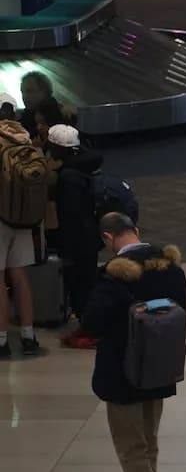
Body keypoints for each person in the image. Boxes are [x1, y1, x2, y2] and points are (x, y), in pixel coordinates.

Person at [80, 212, 186, 472]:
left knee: (129, 444)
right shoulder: (171, 267)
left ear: (108, 239)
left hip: (122, 371)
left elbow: (91, 322)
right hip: (159, 366)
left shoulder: (115, 276)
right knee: (148, 439)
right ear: (135, 231)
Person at [45, 125, 104, 347]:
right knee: (88, 282)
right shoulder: (85, 165)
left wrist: (66, 247)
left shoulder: (68, 177)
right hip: (90, 235)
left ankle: (88, 330)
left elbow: (71, 216)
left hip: (77, 240)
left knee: (80, 286)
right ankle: (89, 327)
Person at [0, 120, 39, 359]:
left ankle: (1, 340)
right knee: (19, 275)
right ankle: (28, 336)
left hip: (0, 217)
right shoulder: (22, 136)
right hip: (23, 219)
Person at [19, 70, 77, 136]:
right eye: (22, 92)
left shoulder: (61, 116)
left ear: (44, 92)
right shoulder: (26, 117)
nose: (24, 96)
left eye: (29, 91)